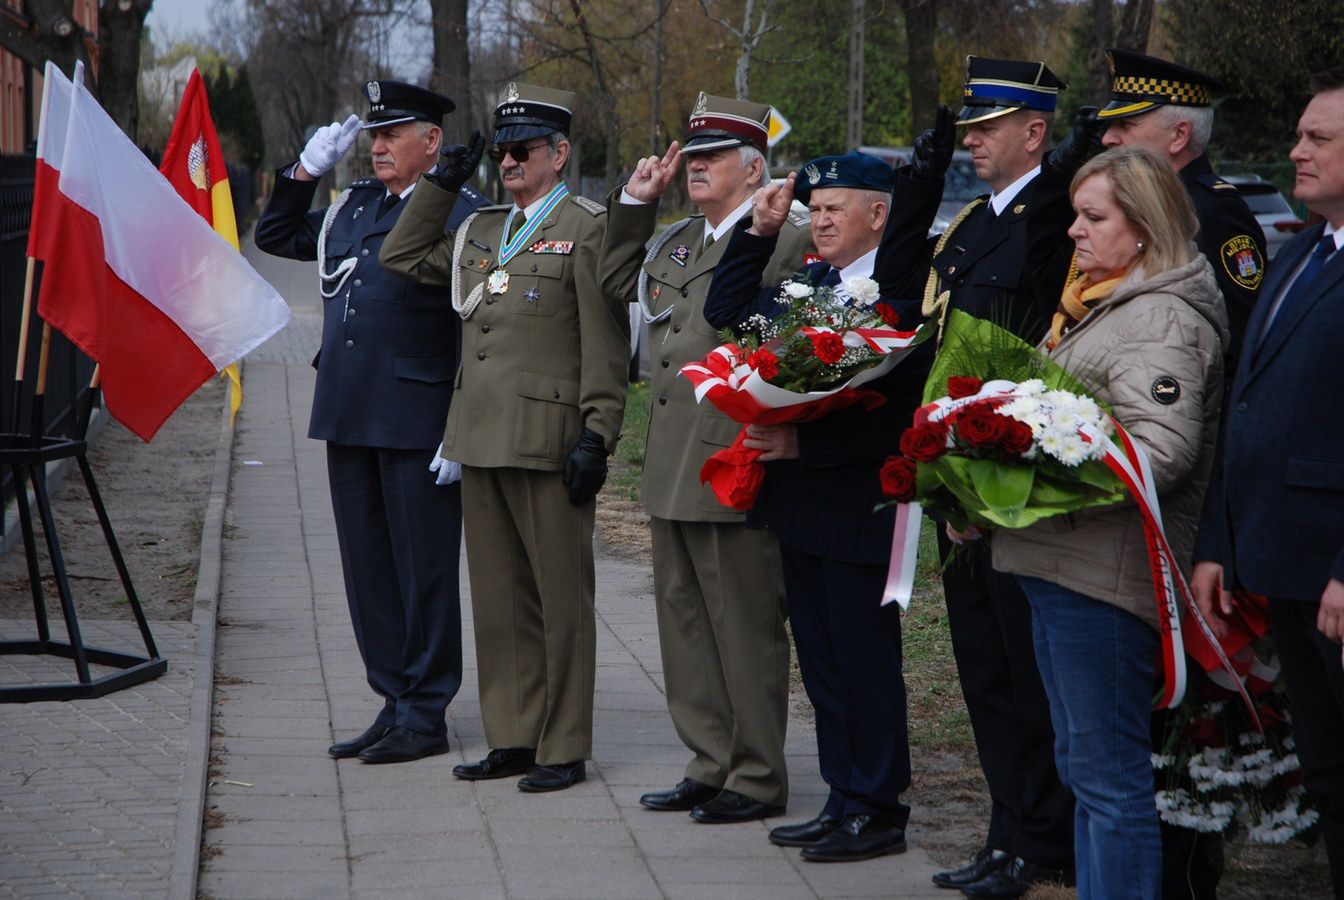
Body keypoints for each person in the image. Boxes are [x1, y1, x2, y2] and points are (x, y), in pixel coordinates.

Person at [991, 147, 1228, 900]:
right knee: (1087, 774)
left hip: (1105, 580)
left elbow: (1162, 451)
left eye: (1094, 218)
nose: (1073, 232)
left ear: (1146, 228)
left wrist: (1025, 468)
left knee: (1108, 783)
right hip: (1066, 568)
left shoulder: (1157, 316)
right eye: (1075, 214)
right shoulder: (1105, 302)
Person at [380, 83, 629, 793]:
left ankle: (564, 744)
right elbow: (400, 255)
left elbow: (605, 342)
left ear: (560, 153)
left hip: (550, 438)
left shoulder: (587, 226)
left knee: (559, 600)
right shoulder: (480, 228)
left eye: (523, 149)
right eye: (502, 150)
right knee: (498, 600)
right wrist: (442, 184)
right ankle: (514, 736)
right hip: (480, 436)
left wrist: (599, 433)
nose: (509, 161)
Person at [703, 145, 943, 862]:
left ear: (880, 215)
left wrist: (804, 448)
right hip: (800, 504)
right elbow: (727, 314)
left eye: (836, 209)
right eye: (818, 209)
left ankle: (879, 805)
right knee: (823, 659)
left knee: (865, 661)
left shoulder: (900, 297)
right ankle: (843, 796)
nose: (822, 221)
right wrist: (760, 233)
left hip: (860, 501)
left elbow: (896, 414)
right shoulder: (811, 281)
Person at [254, 81, 485, 764]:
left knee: (424, 570)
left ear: (432, 142)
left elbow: (479, 328)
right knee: (368, 569)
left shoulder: (463, 214)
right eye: (373, 136)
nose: (377, 147)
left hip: (419, 416)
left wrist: (463, 424)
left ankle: (427, 709)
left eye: (392, 135)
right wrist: (303, 172)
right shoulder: (352, 205)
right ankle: (393, 698)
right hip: (351, 408)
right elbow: (274, 235)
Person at [599, 94, 810, 823]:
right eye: (692, 155)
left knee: (743, 621)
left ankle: (755, 774)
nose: (695, 166)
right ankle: (709, 760)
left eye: (713, 157)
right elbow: (610, 280)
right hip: (670, 458)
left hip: (733, 458)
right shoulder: (678, 239)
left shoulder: (781, 235)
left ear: (754, 170)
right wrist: (634, 202)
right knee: (683, 619)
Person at [918, 56, 1078, 898]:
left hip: (1017, 485)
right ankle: (1005, 829)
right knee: (981, 666)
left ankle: (1043, 838)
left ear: (1035, 134)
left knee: (1025, 667)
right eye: (969, 130)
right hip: (960, 476)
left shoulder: (1053, 218)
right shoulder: (975, 221)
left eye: (986, 130)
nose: (970, 143)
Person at [1191, 72, 1344, 899]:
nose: (1296, 150)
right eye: (1299, 133)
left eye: (1318, 138)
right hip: (1279, 561)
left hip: (1333, 572)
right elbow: (1244, 409)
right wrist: (1220, 544)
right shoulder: (1305, 252)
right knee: (1327, 768)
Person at [1097, 49, 1266, 366]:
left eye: (1125, 125)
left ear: (1179, 135)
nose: (1107, 138)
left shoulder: (1213, 210)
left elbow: (1240, 340)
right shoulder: (1147, 204)